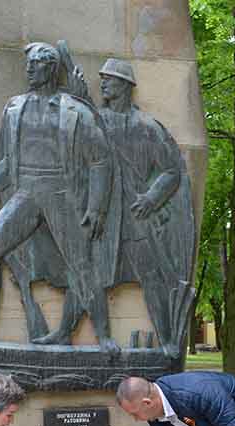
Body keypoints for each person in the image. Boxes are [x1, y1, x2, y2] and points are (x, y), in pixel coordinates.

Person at [0, 42, 118, 351]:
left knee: (81, 266)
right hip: (26, 193)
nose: (28, 68)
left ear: (51, 69)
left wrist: (96, 208)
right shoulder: (15, 108)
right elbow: (8, 165)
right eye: (28, 63)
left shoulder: (74, 111)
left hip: (61, 194)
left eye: (36, 63)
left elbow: (100, 160)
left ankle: (104, 336)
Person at [97, 58, 195, 357]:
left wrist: (151, 199)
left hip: (136, 216)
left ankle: (167, 340)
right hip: (104, 215)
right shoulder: (96, 120)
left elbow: (171, 171)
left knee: (151, 279)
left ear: (125, 86)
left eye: (109, 79)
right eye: (101, 79)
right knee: (92, 278)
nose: (102, 84)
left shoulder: (147, 127)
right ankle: (100, 339)